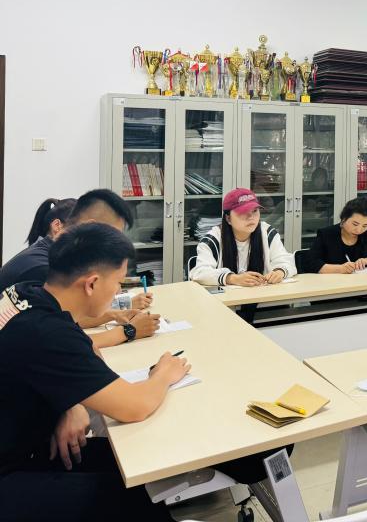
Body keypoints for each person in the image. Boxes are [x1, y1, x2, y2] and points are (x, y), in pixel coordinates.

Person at [0, 223, 191, 521]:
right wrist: (164, 373)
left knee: (127, 467)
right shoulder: (47, 331)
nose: (118, 292)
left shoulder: (28, 294)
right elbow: (134, 407)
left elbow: (85, 349)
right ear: (91, 284)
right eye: (118, 283)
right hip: (11, 470)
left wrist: (69, 403)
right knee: (128, 496)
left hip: (24, 444)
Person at [1, 190, 158, 349]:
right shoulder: (46, 268)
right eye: (112, 237)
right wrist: (129, 330)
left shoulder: (52, 255)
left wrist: (114, 314)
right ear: (90, 227)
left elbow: (69, 318)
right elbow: (66, 338)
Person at [190, 188, 296, 287]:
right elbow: (200, 273)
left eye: (255, 211)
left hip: (263, 296)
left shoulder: (268, 233)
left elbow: (287, 261)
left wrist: (280, 272)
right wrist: (232, 278)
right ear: (228, 219)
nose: (251, 217)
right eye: (243, 212)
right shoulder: (212, 240)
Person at [303, 197, 367, 274]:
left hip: (365, 282)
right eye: (355, 224)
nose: (359, 230)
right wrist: (340, 269)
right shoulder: (327, 234)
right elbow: (310, 263)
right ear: (344, 219)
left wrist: (366, 261)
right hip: (333, 283)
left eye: (365, 226)